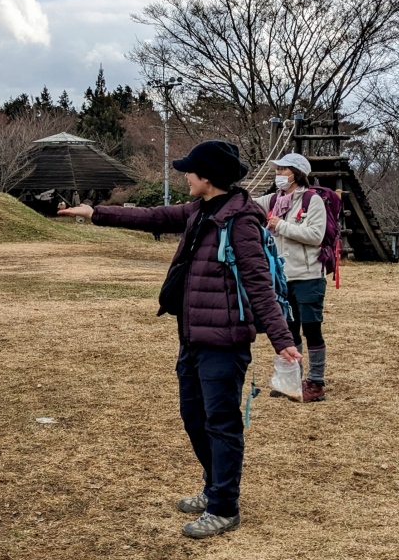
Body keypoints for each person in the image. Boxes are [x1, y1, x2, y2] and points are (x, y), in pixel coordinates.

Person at [59, 140, 299, 539]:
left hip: (224, 341)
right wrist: (95, 213)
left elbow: (258, 283)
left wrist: (281, 338)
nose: (184, 177)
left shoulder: (239, 220)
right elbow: (153, 217)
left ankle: (224, 507)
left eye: (190, 171)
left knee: (221, 424)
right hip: (192, 336)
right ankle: (213, 487)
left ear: (207, 177)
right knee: (194, 417)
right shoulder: (199, 210)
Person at [255, 153, 328, 402]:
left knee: (311, 329)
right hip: (282, 279)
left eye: (283, 170)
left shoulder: (312, 200)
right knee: (289, 330)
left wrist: (280, 225)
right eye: (278, 170)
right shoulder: (275, 199)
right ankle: (292, 380)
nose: (279, 175)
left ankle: (316, 383)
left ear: (296, 174)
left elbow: (316, 235)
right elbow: (249, 204)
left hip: (308, 276)